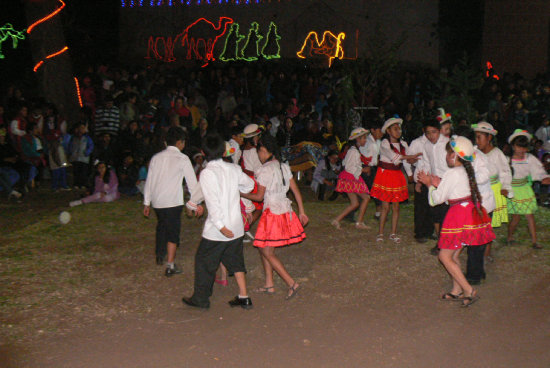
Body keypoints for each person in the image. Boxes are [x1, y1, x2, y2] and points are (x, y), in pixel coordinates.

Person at [418, 136, 495, 307]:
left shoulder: (452, 173)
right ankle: (456, 289)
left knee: (444, 256)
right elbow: (451, 195)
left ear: (454, 155)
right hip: (467, 215)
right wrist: (438, 184)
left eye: (448, 153)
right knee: (453, 254)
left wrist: (430, 184)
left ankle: (468, 289)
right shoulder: (466, 172)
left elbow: (436, 200)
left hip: (458, 217)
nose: (446, 156)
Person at [182, 134, 255, 310]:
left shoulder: (207, 173)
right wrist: (237, 189)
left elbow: (213, 204)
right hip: (236, 226)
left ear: (203, 152)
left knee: (203, 261)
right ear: (224, 151)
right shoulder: (234, 169)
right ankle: (244, 297)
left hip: (218, 229)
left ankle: (201, 299)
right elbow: (249, 186)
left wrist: (221, 227)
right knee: (236, 261)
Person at [241, 134, 308, 299]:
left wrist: (240, 194)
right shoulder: (283, 167)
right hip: (285, 210)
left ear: (264, 151)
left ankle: (291, 284)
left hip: (272, 213)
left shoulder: (265, 170)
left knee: (267, 251)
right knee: (263, 248)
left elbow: (258, 197)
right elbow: (295, 190)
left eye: (259, 153)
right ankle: (269, 284)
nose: (259, 156)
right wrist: (301, 210)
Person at [143, 127, 198, 275]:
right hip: (173, 201)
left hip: (158, 201)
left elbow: (149, 180)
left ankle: (160, 254)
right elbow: (192, 183)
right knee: (173, 231)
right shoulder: (183, 158)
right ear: (180, 142)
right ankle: (170, 265)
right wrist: (195, 202)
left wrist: (146, 202)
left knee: (162, 225)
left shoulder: (156, 158)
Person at [370, 117, 420, 243]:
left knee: (396, 206)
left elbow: (406, 162)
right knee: (385, 206)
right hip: (385, 175)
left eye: (399, 129)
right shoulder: (385, 144)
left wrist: (409, 173)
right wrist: (410, 157)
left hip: (396, 175)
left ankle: (393, 233)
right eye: (395, 129)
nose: (399, 131)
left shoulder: (403, 144)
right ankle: (380, 232)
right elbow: (395, 158)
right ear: (388, 131)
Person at [472, 122, 512, 261]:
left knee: (488, 223)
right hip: (479, 191)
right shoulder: (475, 153)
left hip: (493, 190)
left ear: (489, 138)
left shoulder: (497, 153)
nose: (477, 141)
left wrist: (505, 187)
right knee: (477, 221)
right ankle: (477, 246)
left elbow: (505, 171)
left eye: (479, 137)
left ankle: (486, 253)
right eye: (475, 137)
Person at [506, 129, 550, 249]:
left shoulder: (529, 158)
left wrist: (544, 178)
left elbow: (538, 171)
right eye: (519, 147)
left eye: (524, 147)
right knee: (516, 217)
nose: (522, 150)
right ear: (513, 146)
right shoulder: (507, 160)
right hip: (514, 191)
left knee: (529, 215)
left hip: (525, 189)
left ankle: (534, 242)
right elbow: (502, 174)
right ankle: (509, 236)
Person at [331, 128, 371, 230]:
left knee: (355, 203)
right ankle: (359, 222)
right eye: (364, 138)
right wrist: (363, 170)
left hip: (348, 176)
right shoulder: (354, 152)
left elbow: (346, 164)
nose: (365, 140)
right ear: (358, 139)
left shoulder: (353, 150)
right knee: (366, 198)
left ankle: (336, 220)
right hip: (351, 177)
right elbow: (350, 167)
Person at [409, 125, 433, 243]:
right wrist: (414, 177)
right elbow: (410, 160)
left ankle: (429, 231)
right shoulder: (417, 142)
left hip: (432, 178)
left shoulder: (435, 142)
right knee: (421, 207)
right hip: (421, 178)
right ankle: (419, 233)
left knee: (431, 206)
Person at [359, 120, 384, 219]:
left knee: (373, 190)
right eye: (379, 131)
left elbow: (377, 156)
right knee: (373, 190)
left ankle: (378, 213)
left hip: (374, 167)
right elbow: (362, 156)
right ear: (372, 130)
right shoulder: (367, 142)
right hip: (366, 168)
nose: (381, 133)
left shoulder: (378, 142)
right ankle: (378, 213)